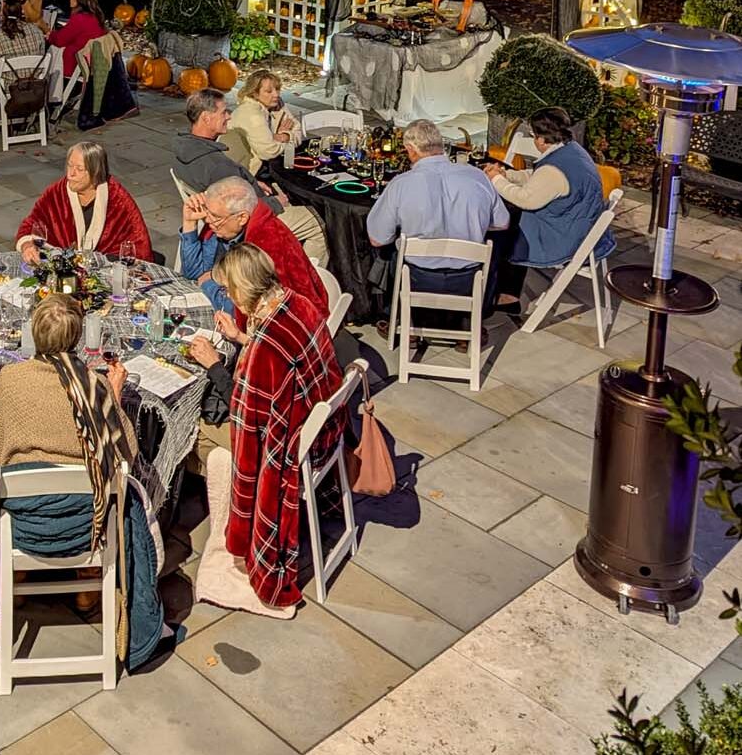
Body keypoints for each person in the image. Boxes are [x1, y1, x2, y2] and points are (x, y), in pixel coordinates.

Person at [0, 294, 137, 612]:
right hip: (86, 525)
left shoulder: (10, 379)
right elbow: (128, 454)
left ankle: (17, 578)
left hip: (25, 520)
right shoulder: (95, 385)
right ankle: (87, 582)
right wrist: (115, 396)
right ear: (77, 338)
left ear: (34, 334)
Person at [215, 243, 344, 610]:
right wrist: (242, 339)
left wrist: (214, 366)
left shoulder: (265, 351)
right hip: (325, 427)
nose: (228, 296)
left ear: (243, 289)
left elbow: (247, 431)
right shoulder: (296, 302)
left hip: (294, 448)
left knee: (198, 441)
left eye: (228, 290)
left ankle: (233, 540)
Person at [367, 118, 510, 339]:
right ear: (441, 145)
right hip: (470, 278)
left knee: (389, 252)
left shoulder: (401, 184)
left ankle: (403, 321)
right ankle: (466, 325)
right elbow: (502, 223)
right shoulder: (477, 176)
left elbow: (377, 238)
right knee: (492, 248)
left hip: (418, 278)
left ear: (411, 150)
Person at [173, 89, 326, 255]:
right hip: (253, 221)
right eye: (223, 112)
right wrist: (276, 202)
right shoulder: (217, 165)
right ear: (206, 118)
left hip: (239, 203)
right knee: (320, 221)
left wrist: (249, 181)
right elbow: (241, 212)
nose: (229, 117)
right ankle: (308, 274)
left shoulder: (185, 149)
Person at [179, 177, 328, 321]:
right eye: (207, 213)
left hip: (281, 327)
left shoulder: (264, 244)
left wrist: (208, 284)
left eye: (215, 217)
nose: (208, 221)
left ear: (242, 217)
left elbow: (245, 312)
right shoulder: (223, 226)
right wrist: (189, 223)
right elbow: (192, 272)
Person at [486, 106, 616, 270]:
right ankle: (508, 292)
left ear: (540, 140)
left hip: (563, 238)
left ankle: (502, 290)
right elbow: (538, 178)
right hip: (580, 227)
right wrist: (508, 176)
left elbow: (525, 199)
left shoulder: (553, 171)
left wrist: (495, 179)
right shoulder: (571, 150)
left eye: (533, 135)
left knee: (502, 233)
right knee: (511, 223)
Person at [17, 142, 152, 263]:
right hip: (61, 267)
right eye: (70, 166)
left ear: (95, 173)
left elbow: (139, 243)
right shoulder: (56, 192)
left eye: (79, 169)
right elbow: (31, 224)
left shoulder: (118, 198)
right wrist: (27, 245)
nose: (70, 174)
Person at [226, 70, 301, 174]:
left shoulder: (277, 105)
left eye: (277, 89)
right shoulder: (251, 114)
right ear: (255, 93)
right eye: (269, 91)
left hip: (270, 163)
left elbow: (297, 129)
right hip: (248, 171)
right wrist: (286, 143)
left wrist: (284, 136)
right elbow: (268, 152)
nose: (276, 95)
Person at [47, 0, 106, 79]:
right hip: (89, 63)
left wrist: (50, 35)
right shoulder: (95, 16)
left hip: (75, 65)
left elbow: (60, 40)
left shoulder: (80, 19)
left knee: (51, 52)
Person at [0, 0, 46, 80]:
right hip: (34, 83)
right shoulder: (37, 31)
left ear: (3, 13)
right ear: (21, 12)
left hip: (9, 85)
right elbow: (42, 54)